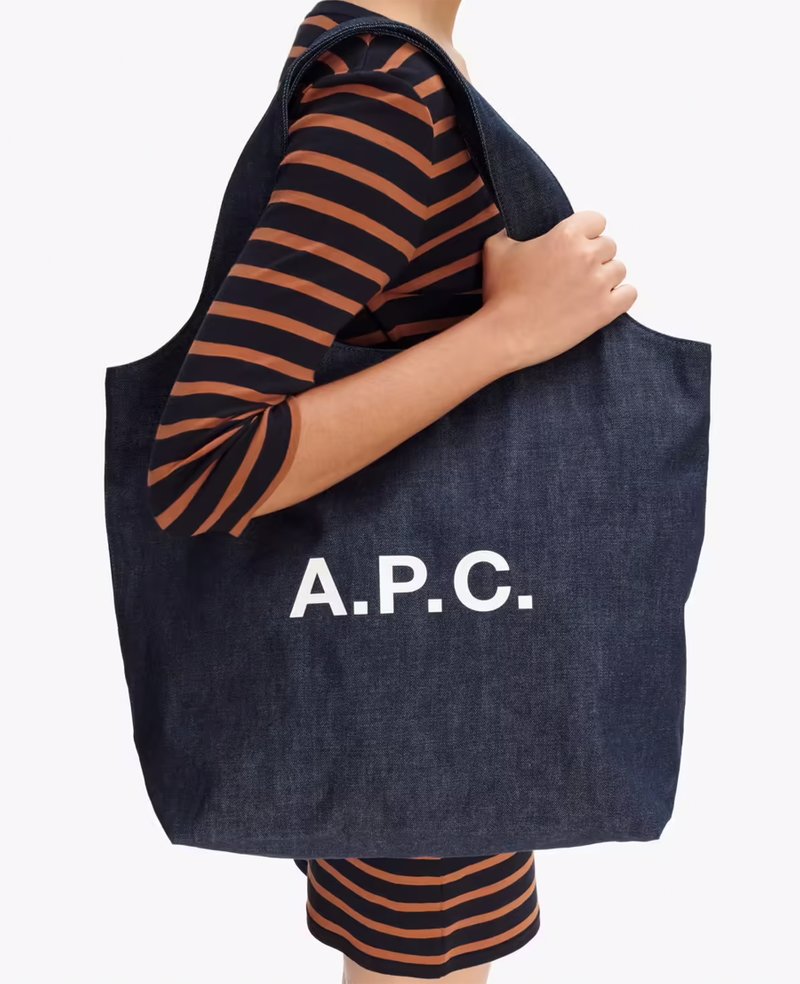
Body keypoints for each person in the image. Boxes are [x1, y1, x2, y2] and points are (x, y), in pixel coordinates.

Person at [146, 0, 636, 979]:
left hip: (422, 640)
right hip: (428, 688)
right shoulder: (386, 100)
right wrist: (508, 333)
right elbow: (204, 464)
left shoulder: (392, 56)